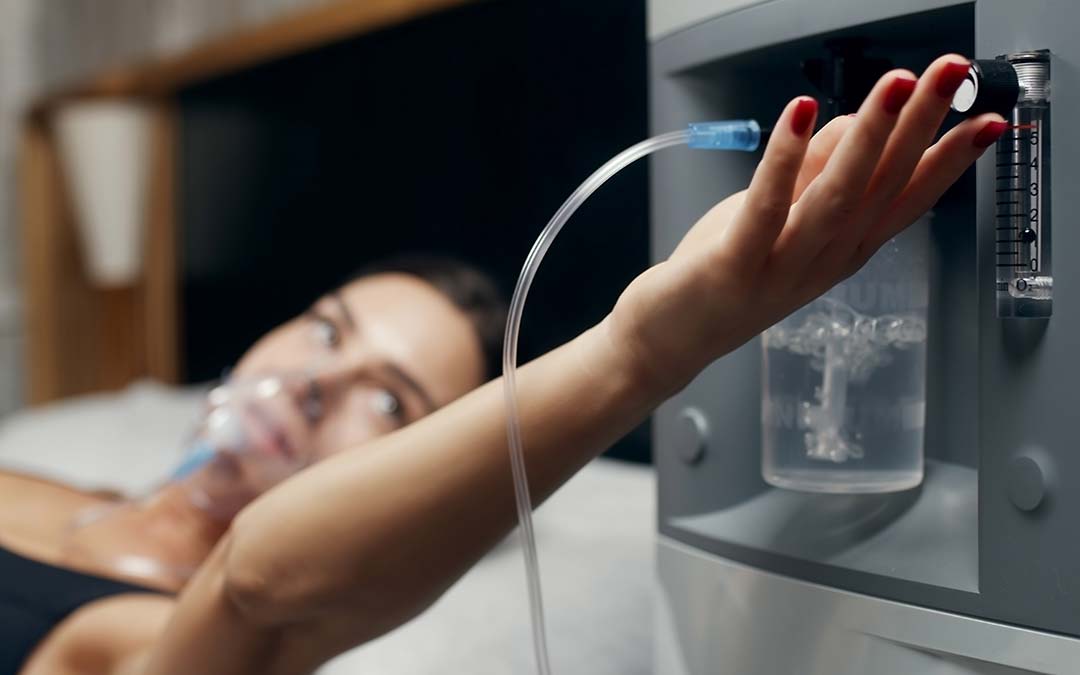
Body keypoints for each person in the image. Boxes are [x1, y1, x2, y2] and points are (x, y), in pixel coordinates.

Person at [2, 56, 1005, 675]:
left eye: (389, 402)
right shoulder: (53, 482)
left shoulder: (159, 631)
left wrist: (639, 353)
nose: (315, 382)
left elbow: (260, 581)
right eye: (325, 328)